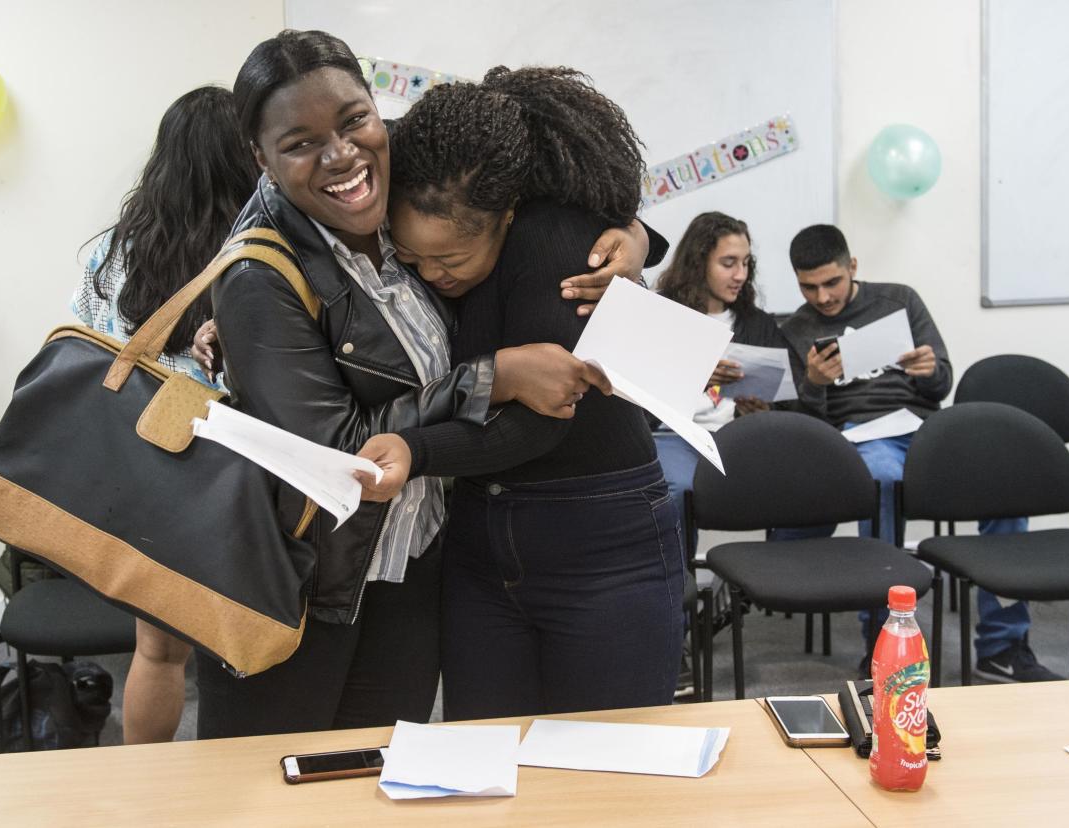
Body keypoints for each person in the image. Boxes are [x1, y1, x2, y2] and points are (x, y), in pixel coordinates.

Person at [195, 30, 661, 738]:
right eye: (299, 143)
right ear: (261, 157)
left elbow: (545, 173)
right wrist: (494, 378)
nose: (341, 154)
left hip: (424, 562)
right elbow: (341, 452)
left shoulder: (404, 171)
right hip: (316, 582)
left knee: (403, 772)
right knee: (286, 786)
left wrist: (633, 233)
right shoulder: (264, 270)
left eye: (354, 121)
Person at [356, 65, 684, 720]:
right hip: (481, 534)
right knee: (487, 760)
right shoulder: (425, 197)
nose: (431, 275)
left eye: (449, 260)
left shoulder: (554, 239)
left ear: (505, 214)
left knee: (605, 772)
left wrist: (413, 450)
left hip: (598, 535)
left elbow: (540, 424)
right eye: (414, 259)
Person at [778, 224, 1060, 683]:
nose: (823, 297)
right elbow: (808, 426)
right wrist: (816, 385)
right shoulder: (795, 330)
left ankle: (1004, 645)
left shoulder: (900, 299)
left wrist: (929, 372)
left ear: (853, 267)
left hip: (925, 428)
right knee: (883, 479)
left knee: (1003, 482)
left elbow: (942, 382)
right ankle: (884, 639)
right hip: (860, 436)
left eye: (832, 282)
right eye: (809, 287)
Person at [72, 85, 257, 743]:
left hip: (150, 473)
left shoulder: (110, 255)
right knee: (255, 654)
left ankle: (145, 800)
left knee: (157, 652)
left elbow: (88, 362)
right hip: (246, 476)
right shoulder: (264, 251)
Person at [650, 211, 801, 551]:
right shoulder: (661, 316)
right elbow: (637, 403)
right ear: (699, 262)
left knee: (806, 483)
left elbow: (787, 399)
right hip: (674, 435)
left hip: (738, 437)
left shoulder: (757, 322)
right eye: (729, 263)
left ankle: (770, 577)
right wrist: (693, 378)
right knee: (675, 490)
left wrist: (761, 410)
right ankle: (680, 587)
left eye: (746, 263)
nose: (740, 275)